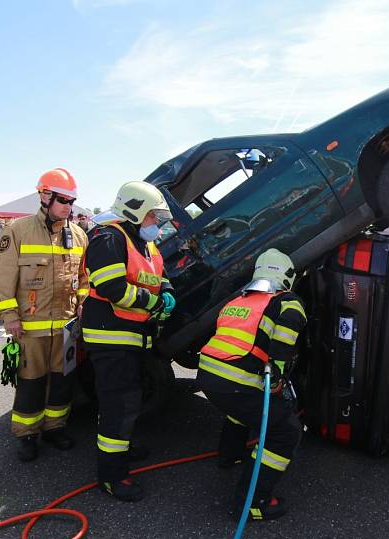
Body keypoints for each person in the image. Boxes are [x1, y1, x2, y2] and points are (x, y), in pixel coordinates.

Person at [81, 181, 175, 502]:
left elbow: (159, 275)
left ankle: (121, 446)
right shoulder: (108, 238)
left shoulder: (144, 243)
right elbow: (112, 288)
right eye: (152, 217)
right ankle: (112, 475)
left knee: (127, 402)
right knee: (118, 404)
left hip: (131, 337)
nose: (156, 224)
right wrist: (155, 303)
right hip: (110, 336)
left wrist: (168, 292)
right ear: (134, 212)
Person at [197, 249, 306, 521]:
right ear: (288, 275)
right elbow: (282, 346)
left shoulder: (239, 300)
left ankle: (229, 456)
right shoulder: (288, 302)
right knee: (285, 432)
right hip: (235, 380)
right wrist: (278, 379)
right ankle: (252, 503)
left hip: (209, 376)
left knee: (243, 409)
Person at [0, 168, 88, 462]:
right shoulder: (17, 231)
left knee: (62, 382)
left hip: (66, 328)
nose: (68, 207)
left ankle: (55, 428)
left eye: (72, 201)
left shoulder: (79, 235)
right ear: (44, 196)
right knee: (31, 383)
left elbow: (84, 279)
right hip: (30, 329)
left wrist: (82, 305)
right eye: (62, 200)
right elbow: (3, 278)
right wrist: (9, 316)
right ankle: (27, 435)